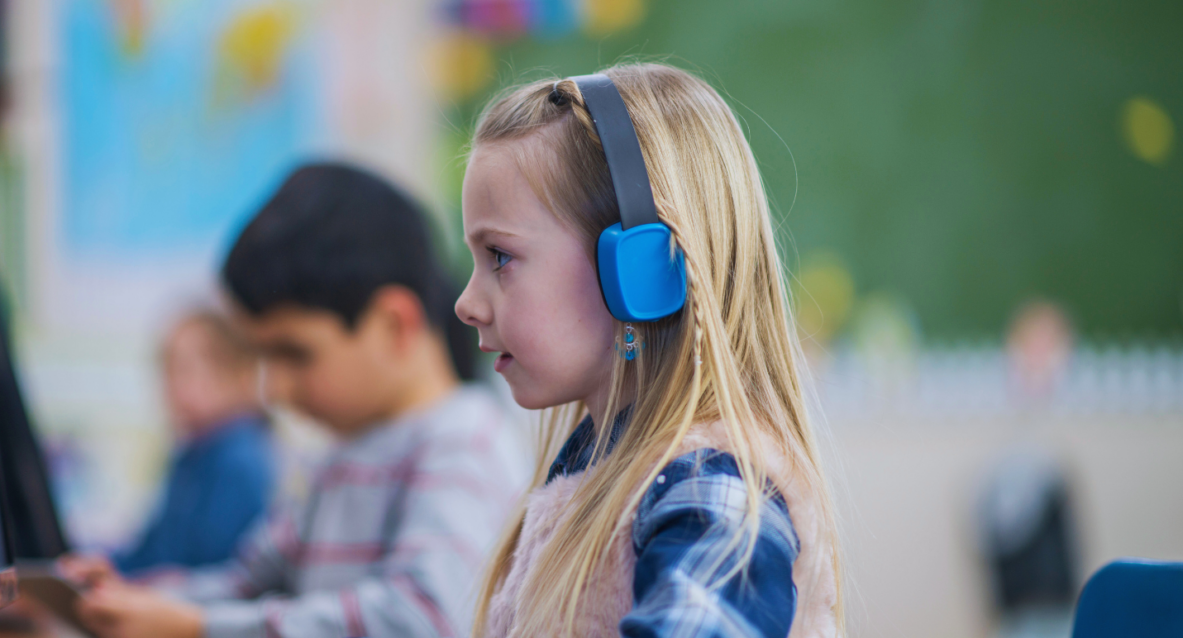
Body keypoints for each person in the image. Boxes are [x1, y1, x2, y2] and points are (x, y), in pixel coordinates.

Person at [454, 64, 843, 637]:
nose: (466, 303)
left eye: (500, 258)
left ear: (638, 269)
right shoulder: (594, 468)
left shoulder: (712, 485)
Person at [66, 163, 529, 638]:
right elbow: (248, 584)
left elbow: (424, 620)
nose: (276, 389)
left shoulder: (464, 441)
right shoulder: (340, 456)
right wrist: (136, 599)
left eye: (294, 353)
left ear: (394, 326)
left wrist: (198, 627)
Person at [112, 310, 275, 575]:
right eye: (165, 370)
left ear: (238, 372)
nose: (171, 386)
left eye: (185, 370)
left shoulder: (239, 457)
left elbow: (220, 570)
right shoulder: (192, 453)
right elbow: (151, 553)